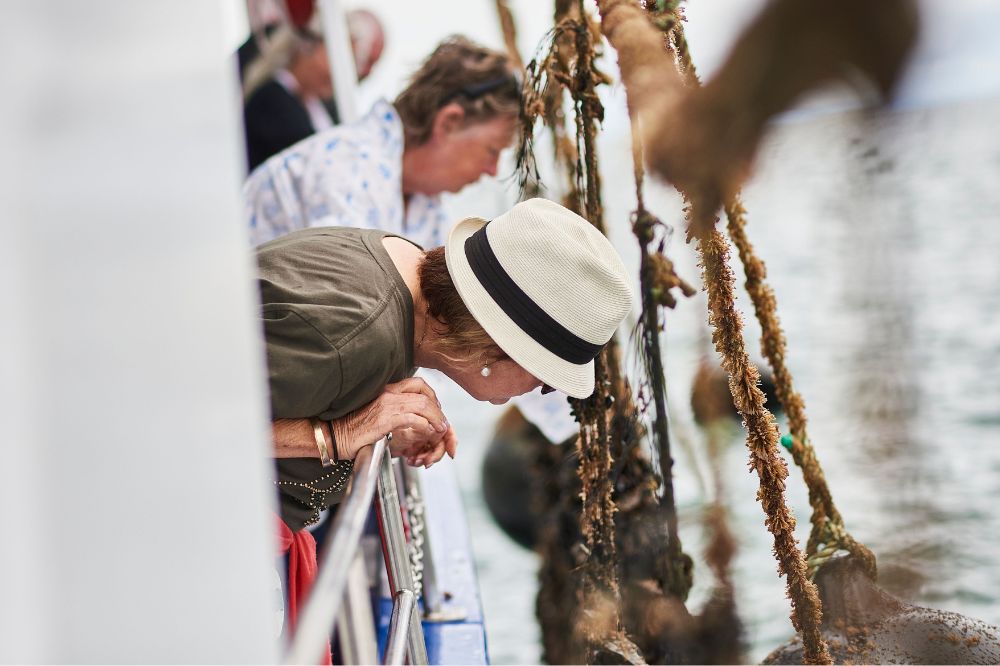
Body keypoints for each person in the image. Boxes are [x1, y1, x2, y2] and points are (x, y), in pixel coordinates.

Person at [259, 198, 633, 534]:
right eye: (547, 379)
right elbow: (205, 426)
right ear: (496, 345)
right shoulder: (357, 337)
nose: (538, 390)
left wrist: (379, 428)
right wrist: (338, 435)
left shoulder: (400, 264)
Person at [244, 35, 520, 248]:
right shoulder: (343, 171)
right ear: (449, 122)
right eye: (492, 151)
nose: (493, 170)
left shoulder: (424, 202)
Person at [239, 10, 386, 172]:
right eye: (346, 61)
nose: (352, 74)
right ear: (312, 45)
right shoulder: (270, 102)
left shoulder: (321, 109)